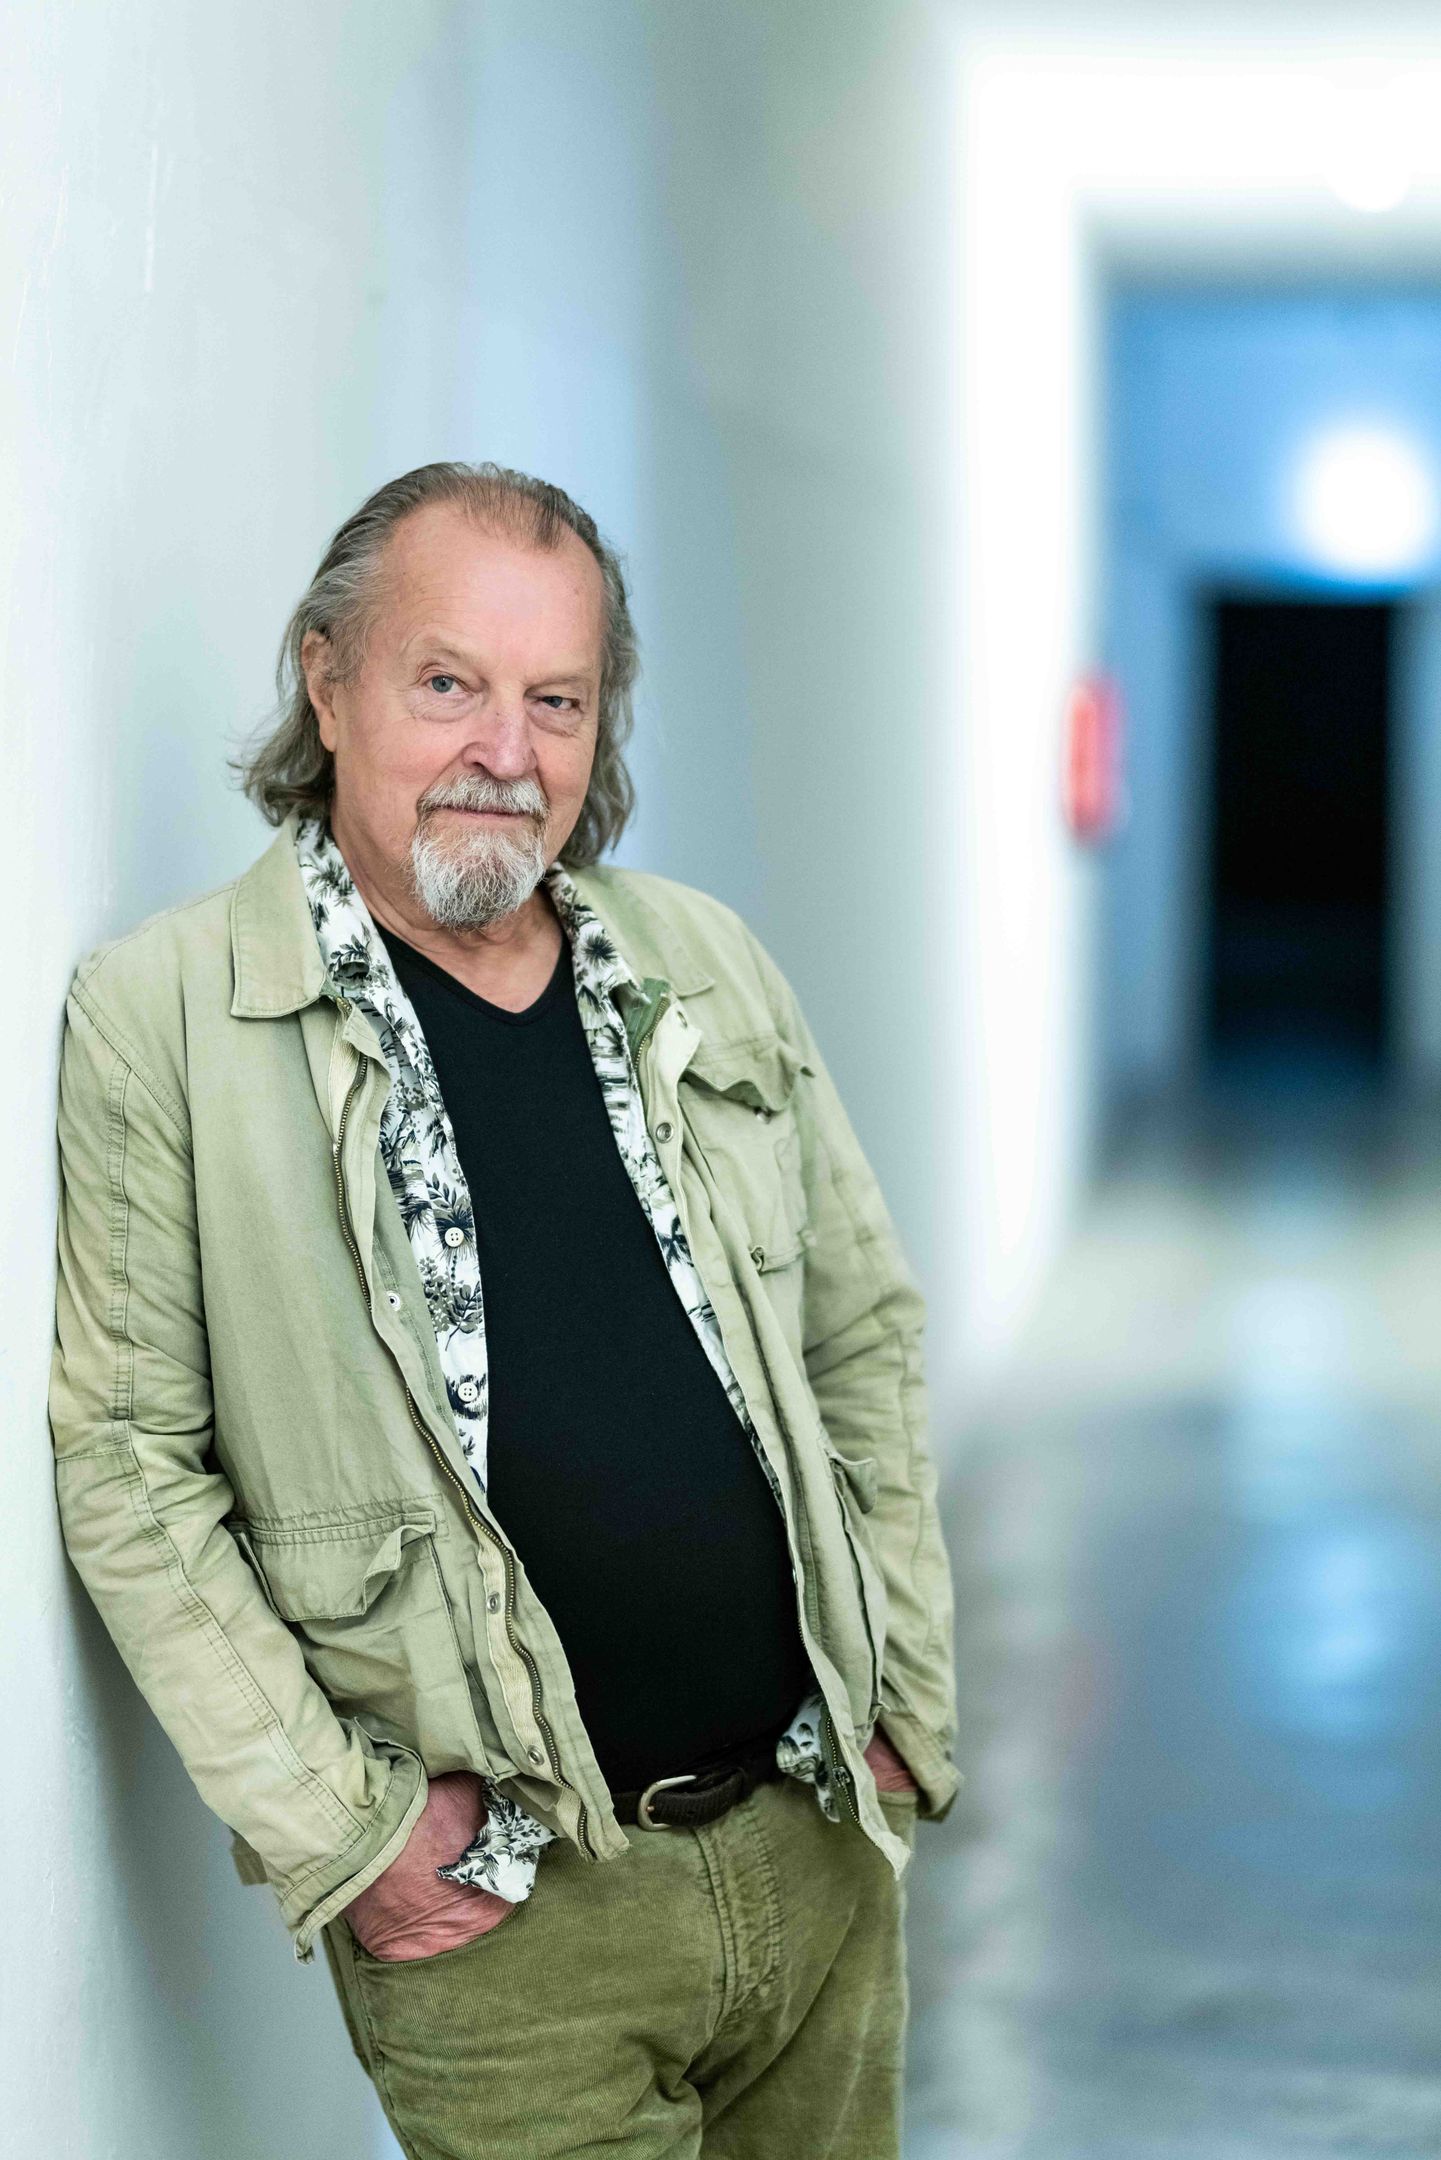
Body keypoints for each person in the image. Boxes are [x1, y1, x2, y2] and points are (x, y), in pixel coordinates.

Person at [48, 460, 958, 2159]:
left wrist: (901, 1690)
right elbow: (125, 1458)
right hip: (513, 1930)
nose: (506, 751)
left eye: (557, 700)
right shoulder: (167, 1016)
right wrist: (348, 1832)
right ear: (329, 684)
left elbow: (859, 1335)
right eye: (448, 682)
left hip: (815, 1845)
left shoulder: (700, 960)